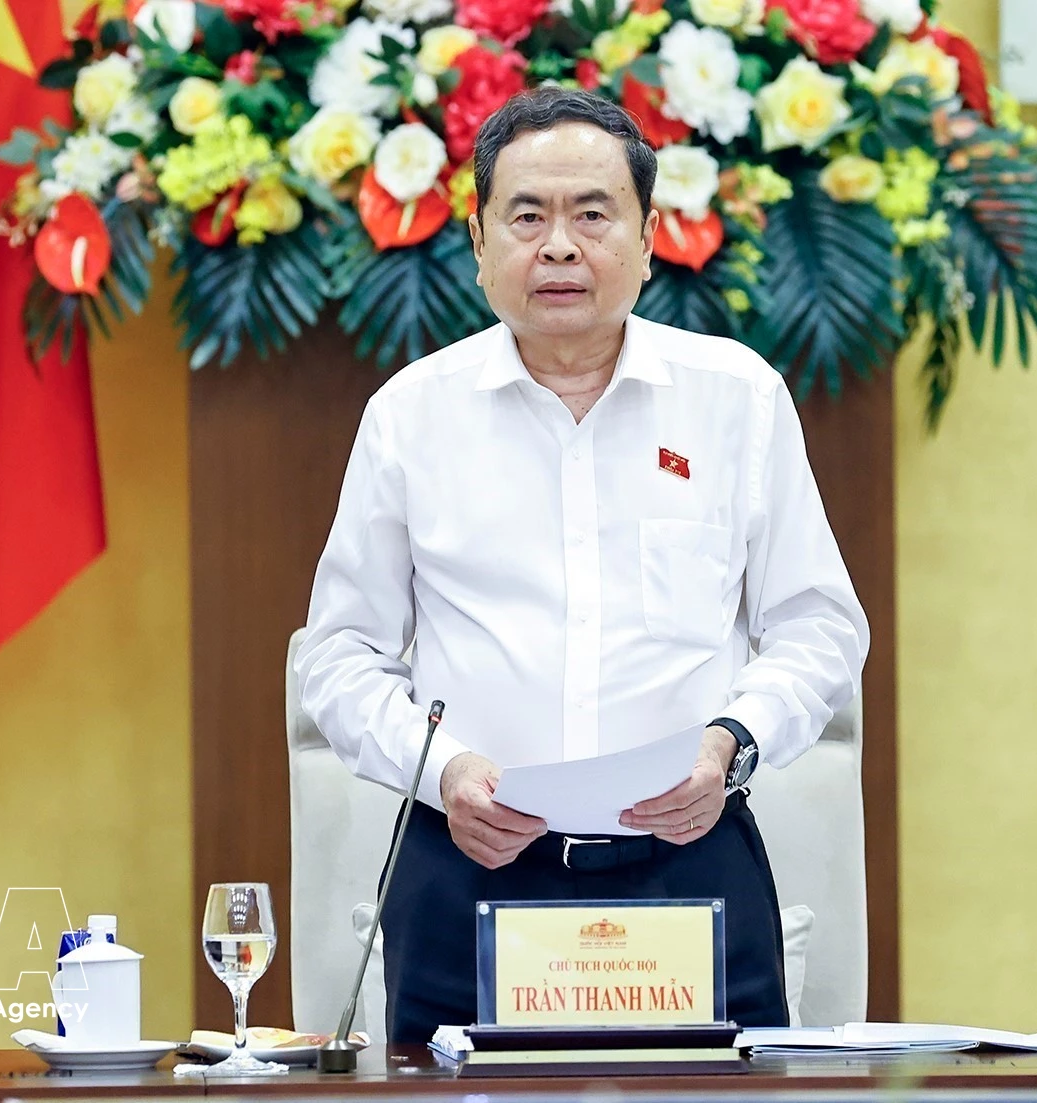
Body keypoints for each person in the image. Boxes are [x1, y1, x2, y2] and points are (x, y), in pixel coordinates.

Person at [295, 87, 868, 1043]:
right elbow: (338, 654)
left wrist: (730, 743)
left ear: (649, 239)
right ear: (478, 243)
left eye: (593, 214)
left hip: (687, 860)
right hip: (468, 862)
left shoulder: (737, 400)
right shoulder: (411, 416)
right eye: (527, 216)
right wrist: (442, 772)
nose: (559, 245)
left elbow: (820, 625)